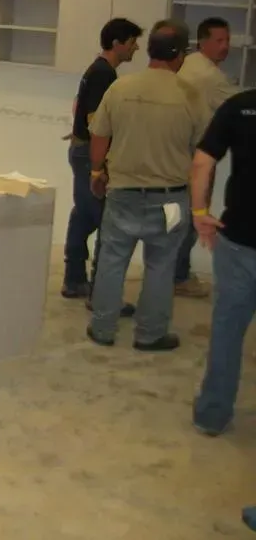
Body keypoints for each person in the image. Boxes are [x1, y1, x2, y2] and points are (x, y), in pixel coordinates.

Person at [86, 20, 207, 350]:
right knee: (160, 266)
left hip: (123, 193)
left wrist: (97, 173)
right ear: (180, 54)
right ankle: (150, 334)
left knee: (111, 261)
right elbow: (201, 154)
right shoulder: (191, 97)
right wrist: (199, 203)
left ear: (151, 49)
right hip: (169, 200)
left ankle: (102, 328)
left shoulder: (120, 88)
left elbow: (99, 136)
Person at [61, 18, 142, 306]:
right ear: (118, 44)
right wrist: (102, 164)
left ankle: (74, 281)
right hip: (88, 155)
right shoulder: (103, 74)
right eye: (133, 42)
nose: (136, 48)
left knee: (83, 216)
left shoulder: (98, 70)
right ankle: (101, 295)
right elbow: (96, 121)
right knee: (107, 224)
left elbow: (83, 111)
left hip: (81, 151)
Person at [191, 85, 256, 436]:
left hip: (240, 240)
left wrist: (200, 212)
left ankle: (212, 414)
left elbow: (203, 160)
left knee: (228, 330)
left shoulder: (241, 106)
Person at [174, 17, 239, 298]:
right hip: (195, 154)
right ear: (202, 42)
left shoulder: (188, 63)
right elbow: (239, 106)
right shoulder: (210, 77)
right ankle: (179, 276)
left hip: (177, 151)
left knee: (180, 216)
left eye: (227, 40)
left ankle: (174, 273)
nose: (225, 46)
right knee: (193, 216)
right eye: (219, 41)